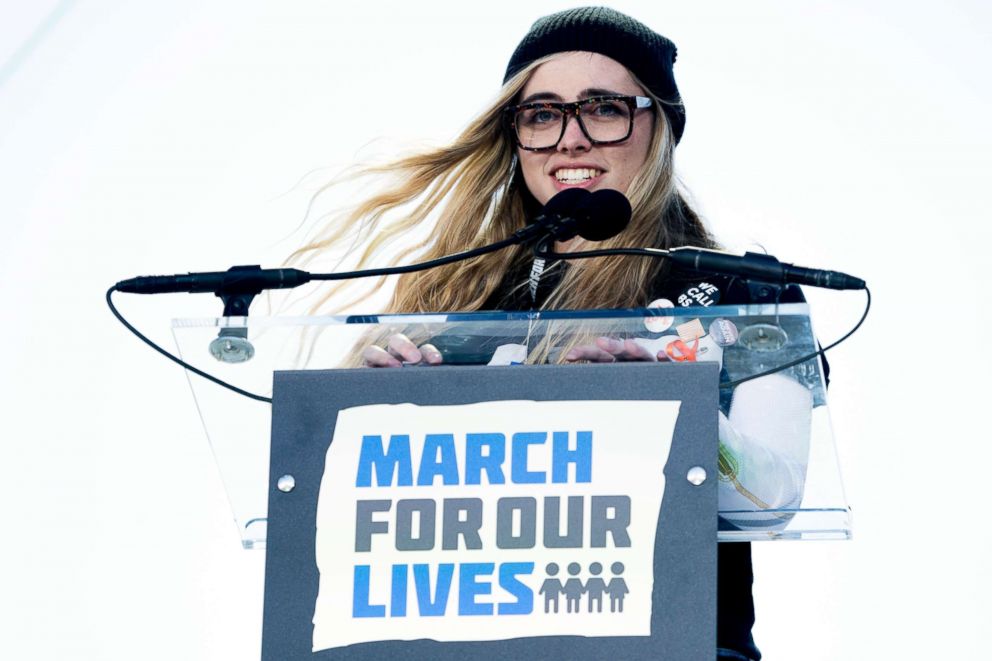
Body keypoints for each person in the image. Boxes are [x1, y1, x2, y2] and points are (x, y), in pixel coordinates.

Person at [291, 7, 813, 660]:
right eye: (542, 114)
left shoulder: (746, 293)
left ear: (659, 125)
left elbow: (773, 502)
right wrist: (369, 423)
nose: (570, 139)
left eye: (603, 108)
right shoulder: (458, 320)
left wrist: (677, 411)